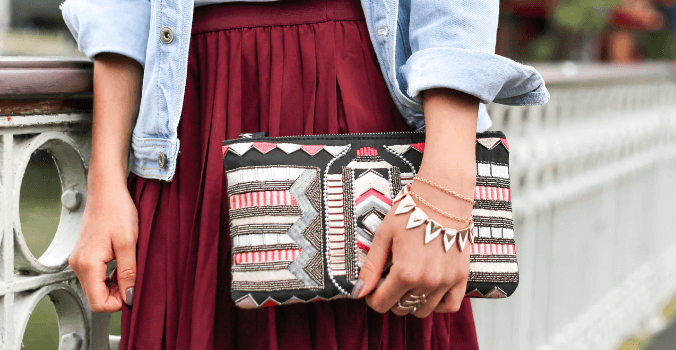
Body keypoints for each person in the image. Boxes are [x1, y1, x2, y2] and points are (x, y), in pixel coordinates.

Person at [61, 0, 548, 349]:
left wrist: (445, 190)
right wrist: (106, 178)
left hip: (356, 101)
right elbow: (118, 14)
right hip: (191, 122)